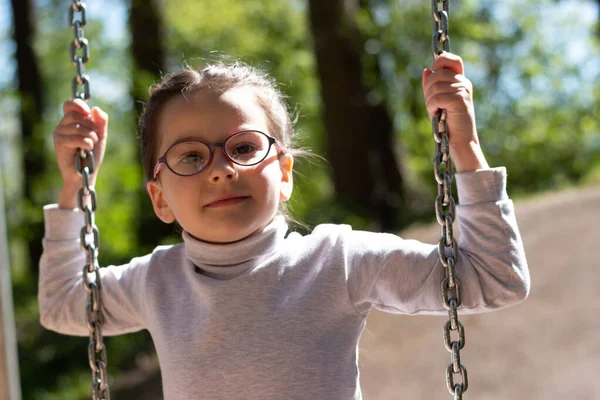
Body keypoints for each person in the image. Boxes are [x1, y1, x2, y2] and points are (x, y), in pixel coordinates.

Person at [39, 52, 530, 400]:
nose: (221, 168)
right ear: (160, 198)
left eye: (244, 147)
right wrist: (73, 189)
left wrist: (464, 146)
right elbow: (63, 306)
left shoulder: (337, 260)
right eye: (190, 155)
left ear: (286, 173)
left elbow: (493, 278)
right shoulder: (156, 282)